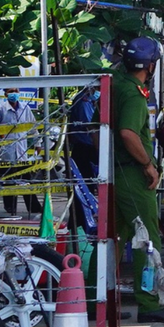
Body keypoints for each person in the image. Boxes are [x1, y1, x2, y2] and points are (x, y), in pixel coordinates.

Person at [112, 37, 164, 323]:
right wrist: (147, 165)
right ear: (151, 66)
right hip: (131, 174)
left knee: (113, 238)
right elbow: (128, 133)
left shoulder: (114, 87)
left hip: (114, 171)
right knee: (148, 238)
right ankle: (149, 302)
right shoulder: (132, 94)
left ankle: (93, 299)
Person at [0, 87, 40, 215]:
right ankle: (10, 208)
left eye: (16, 92)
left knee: (26, 179)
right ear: (5, 94)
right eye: (10, 92)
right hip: (6, 151)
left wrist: (38, 143)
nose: (13, 94)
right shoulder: (0, 109)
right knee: (8, 180)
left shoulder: (25, 108)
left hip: (22, 150)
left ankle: (33, 206)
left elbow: (33, 127)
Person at [68, 85, 101, 232]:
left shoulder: (89, 100)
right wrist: (100, 150)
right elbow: (91, 128)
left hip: (87, 148)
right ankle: (78, 226)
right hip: (85, 149)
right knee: (83, 190)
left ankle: (80, 225)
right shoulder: (84, 101)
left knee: (88, 188)